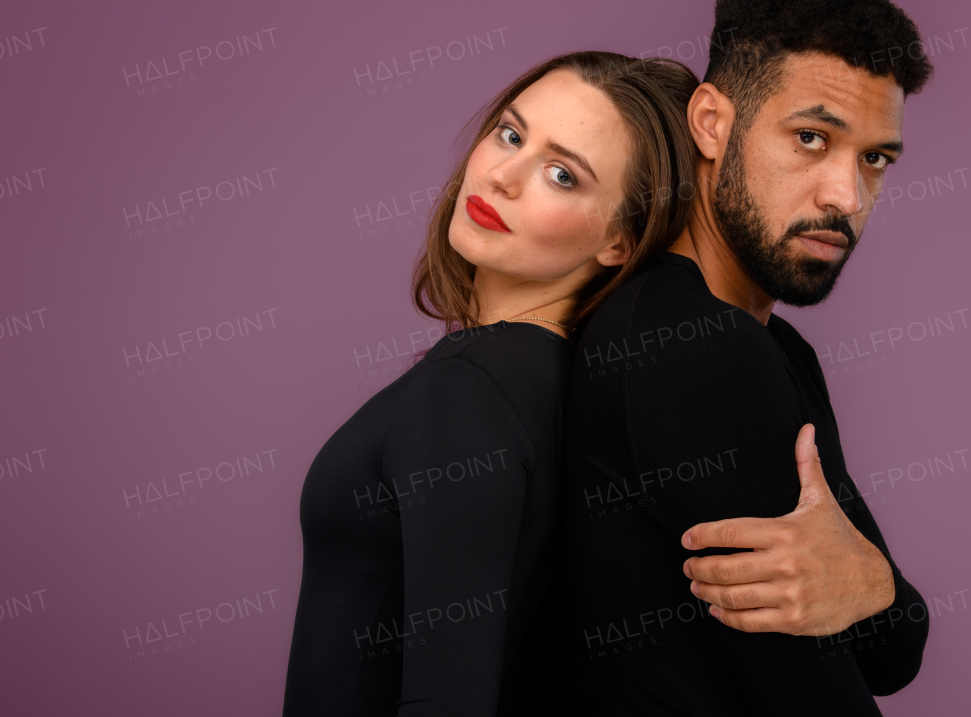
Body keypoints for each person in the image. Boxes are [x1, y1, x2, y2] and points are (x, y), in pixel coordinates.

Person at [562, 0, 934, 715]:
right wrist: (886, 594)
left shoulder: (775, 346)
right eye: (810, 138)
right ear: (711, 122)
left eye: (875, 158)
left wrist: (876, 586)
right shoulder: (687, 345)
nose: (846, 195)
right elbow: (824, 692)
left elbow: (894, 650)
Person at [281, 51, 699, 716]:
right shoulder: (567, 387)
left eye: (562, 175)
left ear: (620, 240)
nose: (503, 176)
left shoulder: (471, 387)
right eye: (510, 133)